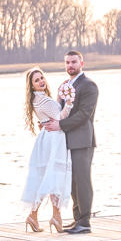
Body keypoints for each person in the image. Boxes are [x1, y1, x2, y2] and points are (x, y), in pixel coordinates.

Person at [41, 50, 98, 234]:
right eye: (67, 62)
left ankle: (85, 222)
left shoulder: (89, 85)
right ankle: (77, 219)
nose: (70, 66)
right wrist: (48, 121)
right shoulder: (65, 85)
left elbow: (84, 115)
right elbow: (60, 110)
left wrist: (60, 125)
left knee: (82, 181)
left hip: (82, 140)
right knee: (72, 182)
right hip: (66, 140)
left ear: (82, 63)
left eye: (73, 62)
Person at [20, 67, 73, 232]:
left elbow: (53, 109)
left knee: (46, 177)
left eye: (41, 78)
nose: (41, 81)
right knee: (54, 176)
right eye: (36, 80)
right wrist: (70, 103)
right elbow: (61, 116)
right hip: (54, 139)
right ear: (32, 86)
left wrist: (59, 94)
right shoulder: (43, 101)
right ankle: (56, 217)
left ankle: (33, 216)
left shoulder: (39, 99)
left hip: (46, 138)